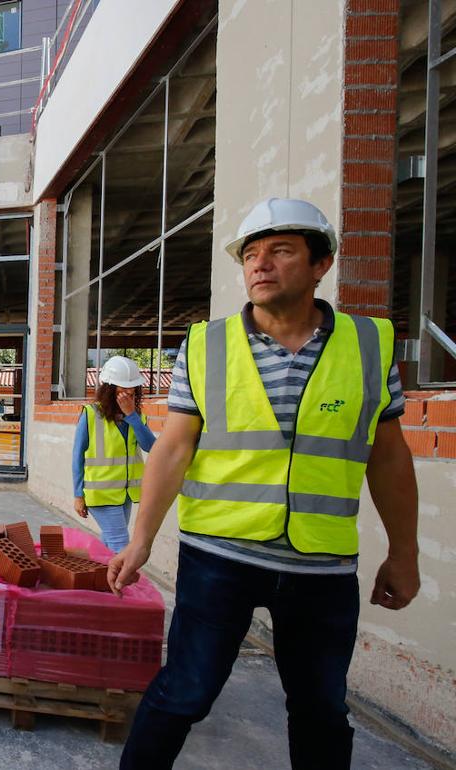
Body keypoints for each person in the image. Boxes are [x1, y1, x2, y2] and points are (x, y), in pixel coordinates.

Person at [108, 198, 419, 770]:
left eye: (280, 251)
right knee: (185, 694)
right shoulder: (205, 345)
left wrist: (404, 552)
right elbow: (173, 449)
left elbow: (390, 459)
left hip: (320, 567)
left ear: (320, 263)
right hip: (217, 557)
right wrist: (140, 538)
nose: (260, 265)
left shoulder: (370, 345)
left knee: (321, 709)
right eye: (251, 254)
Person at [72, 356, 156, 553]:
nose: (128, 392)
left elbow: (150, 446)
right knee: (121, 545)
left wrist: (131, 416)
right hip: (100, 494)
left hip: (126, 493)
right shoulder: (91, 414)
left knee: (109, 545)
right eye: (122, 387)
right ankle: (122, 584)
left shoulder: (136, 417)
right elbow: (77, 456)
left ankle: (98, 580)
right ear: (109, 388)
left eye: (132, 388)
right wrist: (78, 495)